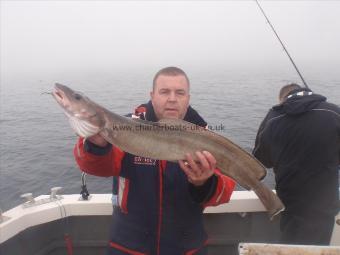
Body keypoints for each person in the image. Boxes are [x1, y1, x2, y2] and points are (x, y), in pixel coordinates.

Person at [73, 67, 235, 255]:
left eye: (179, 93)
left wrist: (204, 183)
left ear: (188, 98)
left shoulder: (206, 138)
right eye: (164, 92)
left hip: (187, 249)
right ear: (152, 95)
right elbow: (97, 167)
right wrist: (97, 146)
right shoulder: (124, 128)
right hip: (128, 248)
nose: (172, 99)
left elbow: (225, 191)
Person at [253, 83, 340, 245]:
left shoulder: (273, 117)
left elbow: (261, 159)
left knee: (292, 246)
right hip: (325, 203)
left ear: (282, 99)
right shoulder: (333, 111)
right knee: (319, 248)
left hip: (291, 204)